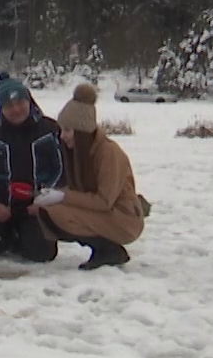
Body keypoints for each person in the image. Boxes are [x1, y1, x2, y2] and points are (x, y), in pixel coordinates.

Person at [30, 83, 147, 270]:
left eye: (68, 130)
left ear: (82, 131)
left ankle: (108, 250)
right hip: (105, 214)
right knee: (51, 211)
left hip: (123, 219)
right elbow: (81, 193)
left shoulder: (109, 153)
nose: (63, 136)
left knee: (59, 213)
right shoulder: (78, 153)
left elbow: (103, 201)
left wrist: (62, 197)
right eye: (62, 130)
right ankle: (103, 249)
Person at [0, 72, 64, 263]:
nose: (16, 109)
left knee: (42, 252)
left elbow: (61, 170)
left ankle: (19, 237)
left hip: (35, 209)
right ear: (1, 109)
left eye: (20, 103)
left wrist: (44, 200)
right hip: (0, 209)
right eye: (9, 106)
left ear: (29, 101)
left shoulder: (50, 130)